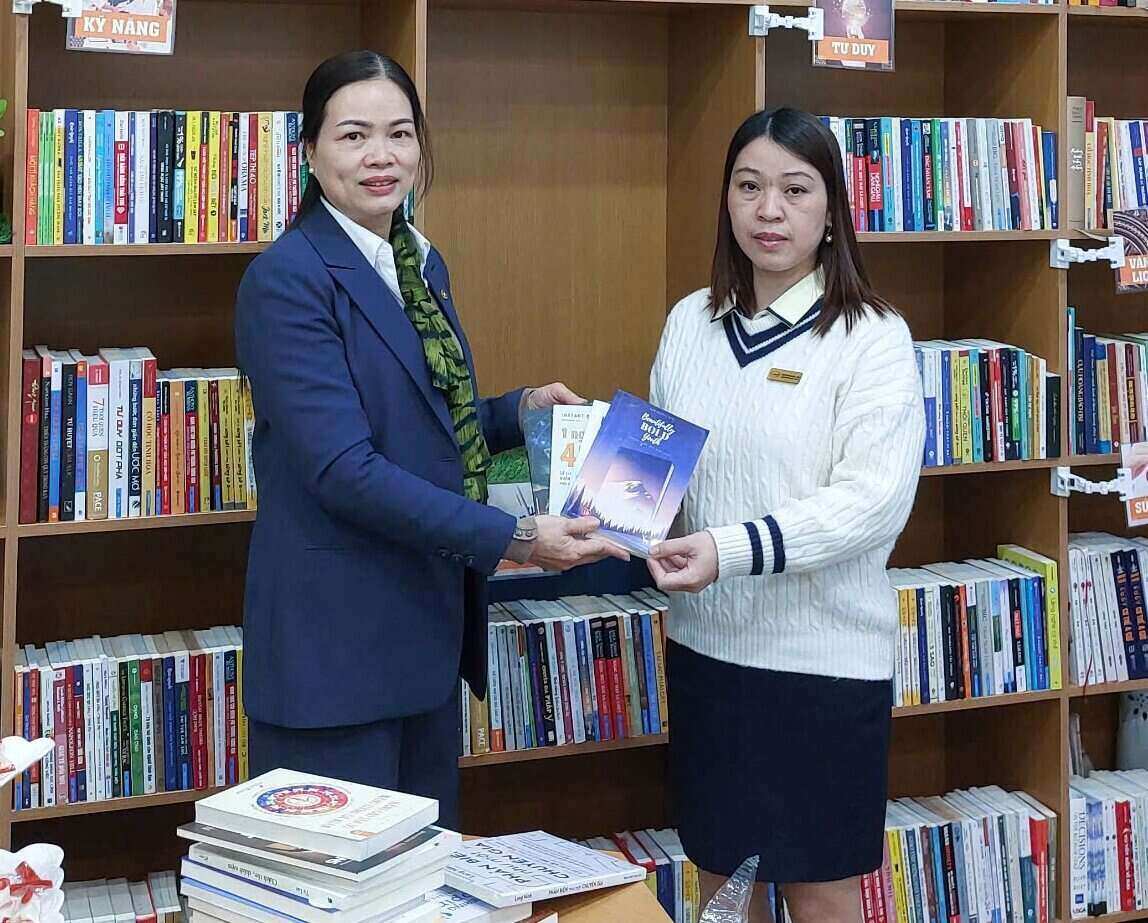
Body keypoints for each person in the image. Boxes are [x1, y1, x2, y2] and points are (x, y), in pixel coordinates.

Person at [234, 50, 626, 829]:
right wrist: (515, 538)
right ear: (308, 152)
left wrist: (515, 410)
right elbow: (345, 468)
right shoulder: (287, 279)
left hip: (421, 641)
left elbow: (414, 420)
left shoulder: (418, 260)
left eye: (400, 134)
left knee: (422, 886)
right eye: (353, 136)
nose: (381, 157)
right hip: (334, 659)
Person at [645, 107, 925, 923]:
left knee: (819, 883)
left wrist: (728, 549)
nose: (770, 210)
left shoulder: (873, 337)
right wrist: (601, 514)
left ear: (831, 208)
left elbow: (872, 503)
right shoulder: (689, 324)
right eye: (749, 186)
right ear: (727, 201)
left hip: (822, 668)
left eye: (795, 189)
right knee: (719, 882)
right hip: (707, 654)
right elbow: (661, 477)